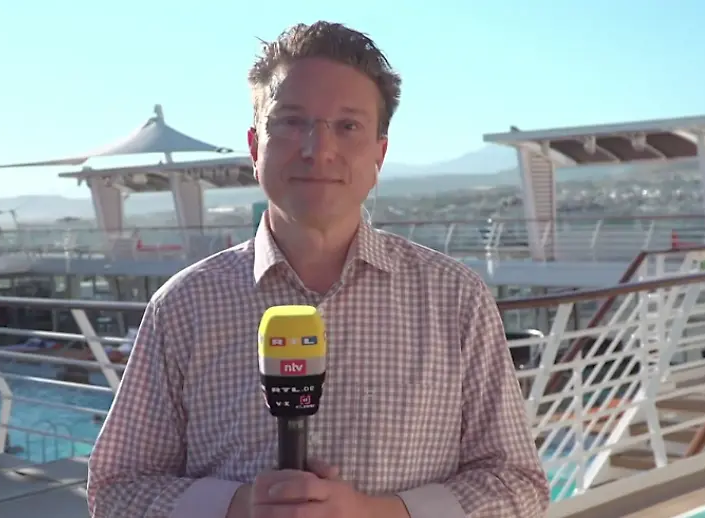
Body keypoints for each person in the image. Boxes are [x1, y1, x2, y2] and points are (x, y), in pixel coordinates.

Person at [87, 21, 548, 518]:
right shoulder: (184, 306)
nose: (318, 149)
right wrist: (238, 506)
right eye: (290, 122)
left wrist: (377, 513)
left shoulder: (455, 300)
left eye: (347, 126)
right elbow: (116, 490)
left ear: (379, 153)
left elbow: (518, 486)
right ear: (254, 147)